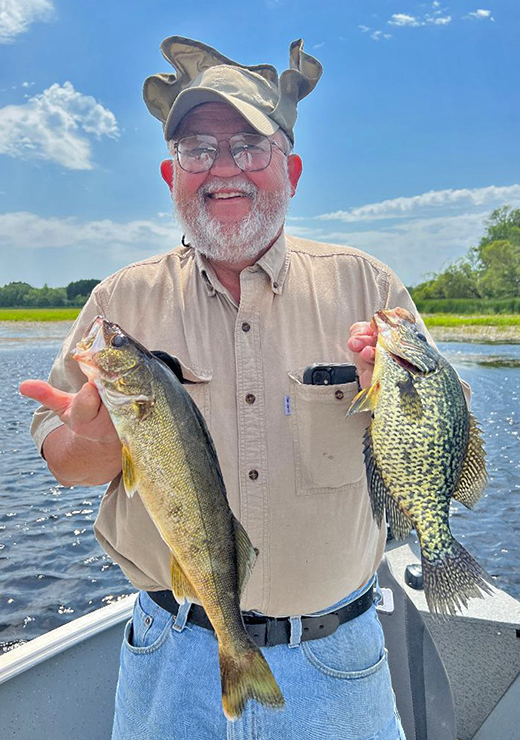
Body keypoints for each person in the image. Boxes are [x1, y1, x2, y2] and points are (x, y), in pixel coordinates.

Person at [19, 36, 434, 740]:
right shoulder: (119, 302)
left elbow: (423, 455)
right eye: (197, 150)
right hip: (172, 656)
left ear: (292, 170)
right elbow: (67, 464)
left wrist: (391, 402)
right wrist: (93, 441)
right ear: (170, 174)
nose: (222, 169)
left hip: (338, 663)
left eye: (249, 146)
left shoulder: (372, 288)